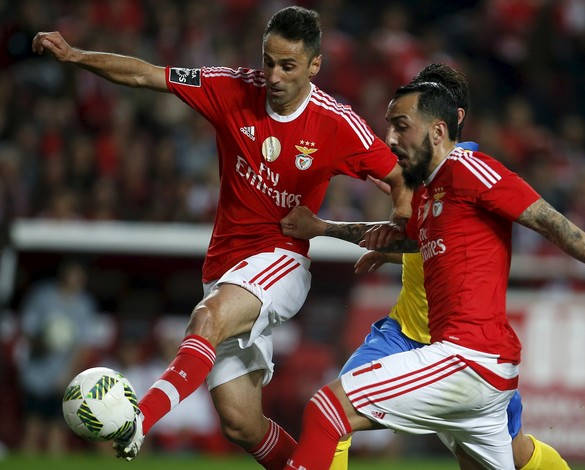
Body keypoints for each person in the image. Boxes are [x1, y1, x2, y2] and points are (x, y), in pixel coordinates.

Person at [32, 6, 410, 468]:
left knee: (206, 319)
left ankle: (139, 419)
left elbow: (399, 179)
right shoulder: (231, 86)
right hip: (224, 266)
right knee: (241, 424)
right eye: (268, 60)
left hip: (282, 258)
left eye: (287, 66)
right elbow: (148, 76)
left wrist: (395, 227)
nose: (272, 75)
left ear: (314, 65)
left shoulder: (336, 122)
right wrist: (75, 56)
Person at [280, 81, 585, 469]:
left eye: (401, 125)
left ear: (439, 129)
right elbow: (403, 240)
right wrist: (328, 230)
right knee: (507, 455)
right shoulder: (430, 194)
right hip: (482, 374)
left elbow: (547, 219)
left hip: (468, 359)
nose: (390, 138)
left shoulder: (470, 170)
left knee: (327, 410)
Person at [15, 259, 99, 455]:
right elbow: (27, 329)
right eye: (71, 274)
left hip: (64, 375)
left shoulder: (85, 305)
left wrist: (69, 376)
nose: (74, 280)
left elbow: (84, 346)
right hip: (36, 373)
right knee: (33, 427)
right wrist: (45, 340)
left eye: (78, 275)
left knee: (57, 429)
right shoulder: (43, 296)